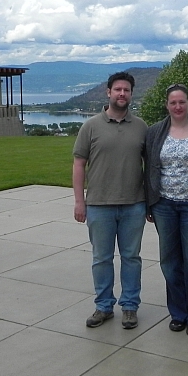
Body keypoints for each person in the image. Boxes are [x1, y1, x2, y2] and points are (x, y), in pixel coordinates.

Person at [73, 72, 148, 330]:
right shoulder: (91, 126)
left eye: (126, 90)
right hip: (98, 205)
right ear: (108, 92)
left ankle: (129, 307)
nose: (122, 94)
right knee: (101, 259)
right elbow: (79, 164)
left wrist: (150, 202)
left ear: (131, 94)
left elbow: (150, 166)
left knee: (131, 258)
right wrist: (79, 201)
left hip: (134, 204)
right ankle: (104, 306)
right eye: (117, 89)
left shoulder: (141, 127)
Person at [145, 84, 188, 337]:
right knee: (170, 262)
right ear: (167, 105)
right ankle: (178, 313)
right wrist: (149, 202)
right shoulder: (154, 132)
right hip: (164, 205)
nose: (178, 106)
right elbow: (148, 168)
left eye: (182, 102)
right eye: (173, 102)